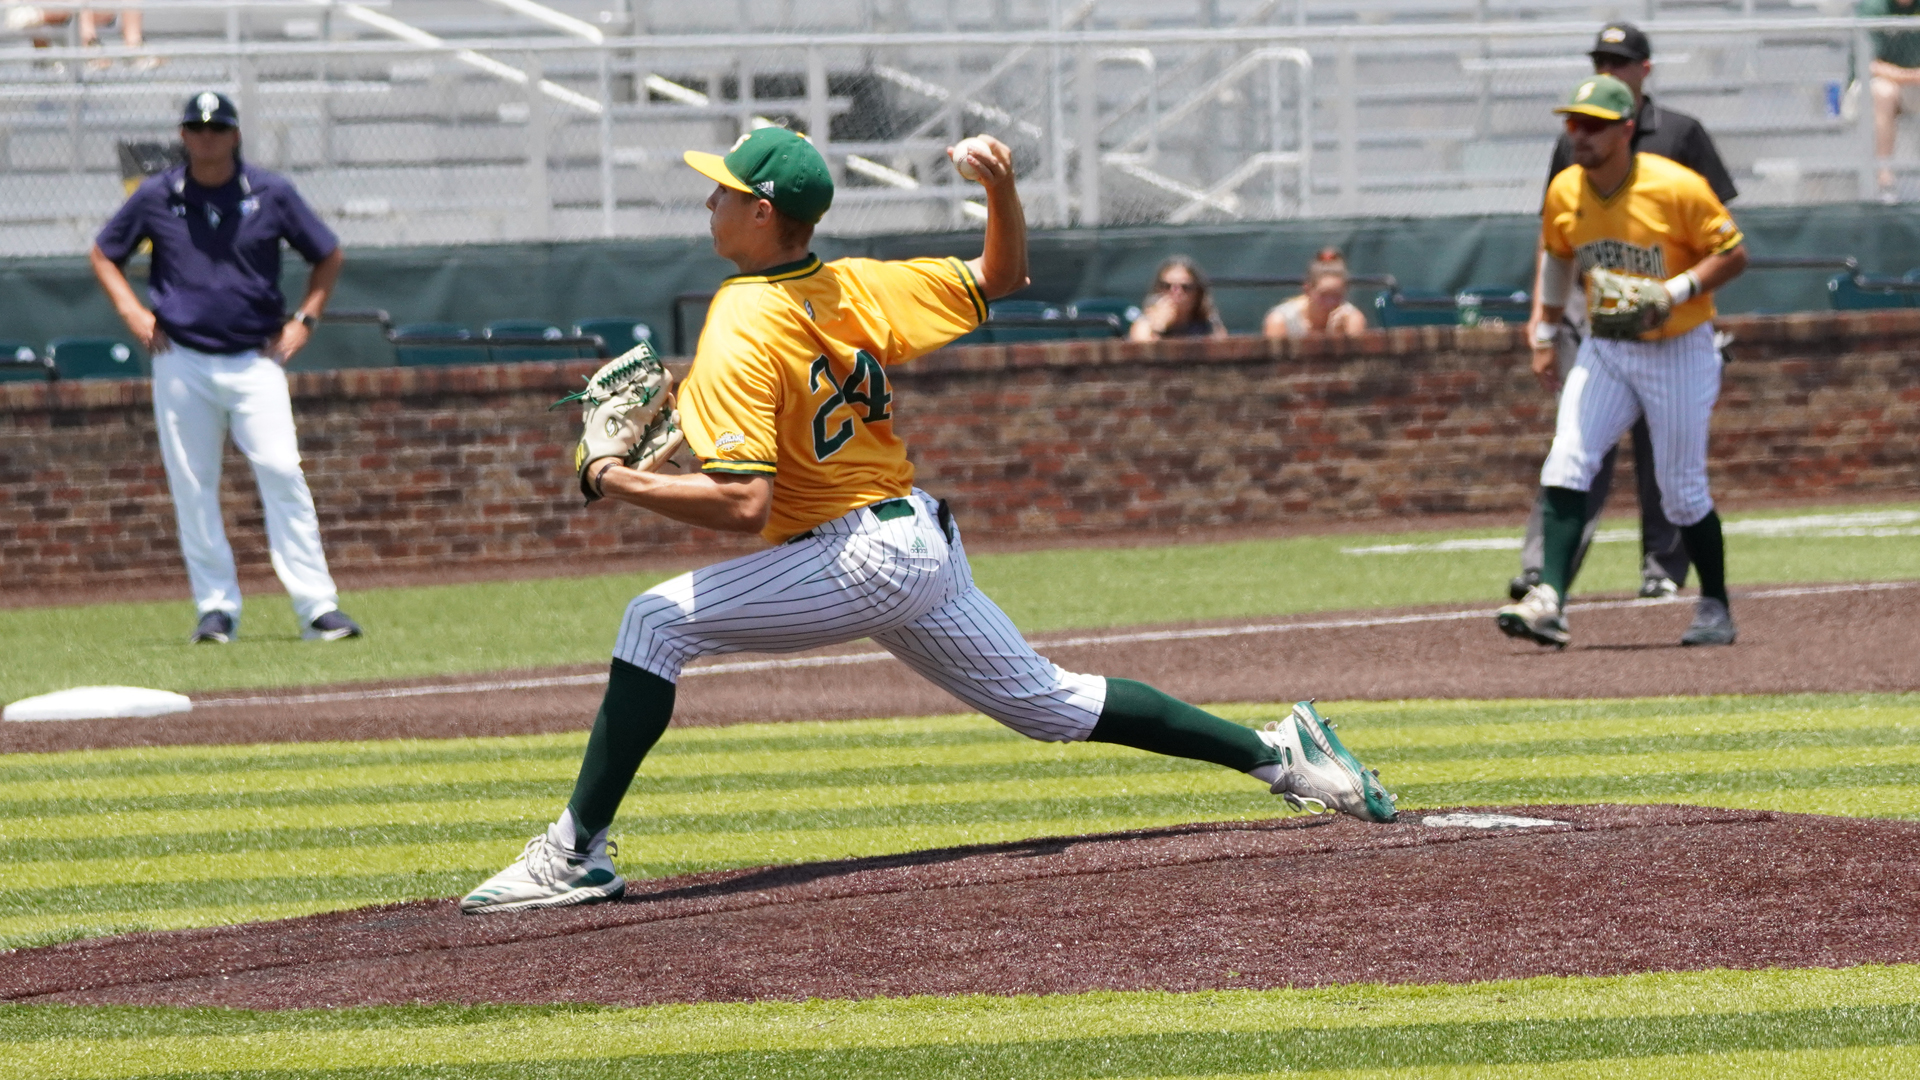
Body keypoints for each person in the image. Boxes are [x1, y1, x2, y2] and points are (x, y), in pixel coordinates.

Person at [458, 127, 1396, 914]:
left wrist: (610, 478)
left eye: (724, 193)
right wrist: (1002, 189)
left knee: (652, 622)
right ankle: (1283, 753)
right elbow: (1006, 272)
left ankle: (574, 851)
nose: (709, 204)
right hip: (916, 541)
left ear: (762, 214)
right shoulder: (852, 284)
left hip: (859, 551)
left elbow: (743, 504)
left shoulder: (741, 318)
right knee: (1050, 704)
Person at [90, 91, 362, 645]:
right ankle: (216, 609)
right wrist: (131, 311)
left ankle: (317, 607)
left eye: (217, 128)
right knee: (193, 485)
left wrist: (304, 321)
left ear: (235, 135)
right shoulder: (157, 195)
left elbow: (327, 254)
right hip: (181, 357)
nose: (207, 137)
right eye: (196, 127)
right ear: (183, 136)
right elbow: (104, 253)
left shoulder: (270, 192)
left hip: (256, 358)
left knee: (283, 470)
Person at [1497, 74, 1747, 651]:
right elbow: (1558, 259)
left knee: (1681, 490)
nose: (1578, 135)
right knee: (1568, 459)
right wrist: (1544, 331)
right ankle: (1549, 601)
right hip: (1606, 346)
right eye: (1573, 123)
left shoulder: (1676, 186)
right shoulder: (1566, 189)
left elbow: (1733, 253)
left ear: (1626, 129)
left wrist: (1675, 291)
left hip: (1680, 348)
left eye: (1593, 126)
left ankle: (1714, 603)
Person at [1863, 0, 1920, 202]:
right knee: (1884, 92)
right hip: (1869, 88)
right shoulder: (1873, 7)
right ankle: (1884, 178)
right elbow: (1870, 65)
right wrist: (1912, 76)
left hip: (1914, 89)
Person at [1262, 248, 1368, 340]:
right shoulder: (1280, 320)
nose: (1330, 302)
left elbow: (1355, 362)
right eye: (1323, 295)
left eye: (1337, 296)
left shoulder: (1352, 319)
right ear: (1307, 290)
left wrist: (1339, 338)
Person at [1127, 255, 1227, 341]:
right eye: (1166, 286)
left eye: (1185, 287)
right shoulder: (1145, 325)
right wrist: (1158, 328)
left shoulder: (1209, 325)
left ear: (1198, 293)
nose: (1175, 292)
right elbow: (1143, 352)